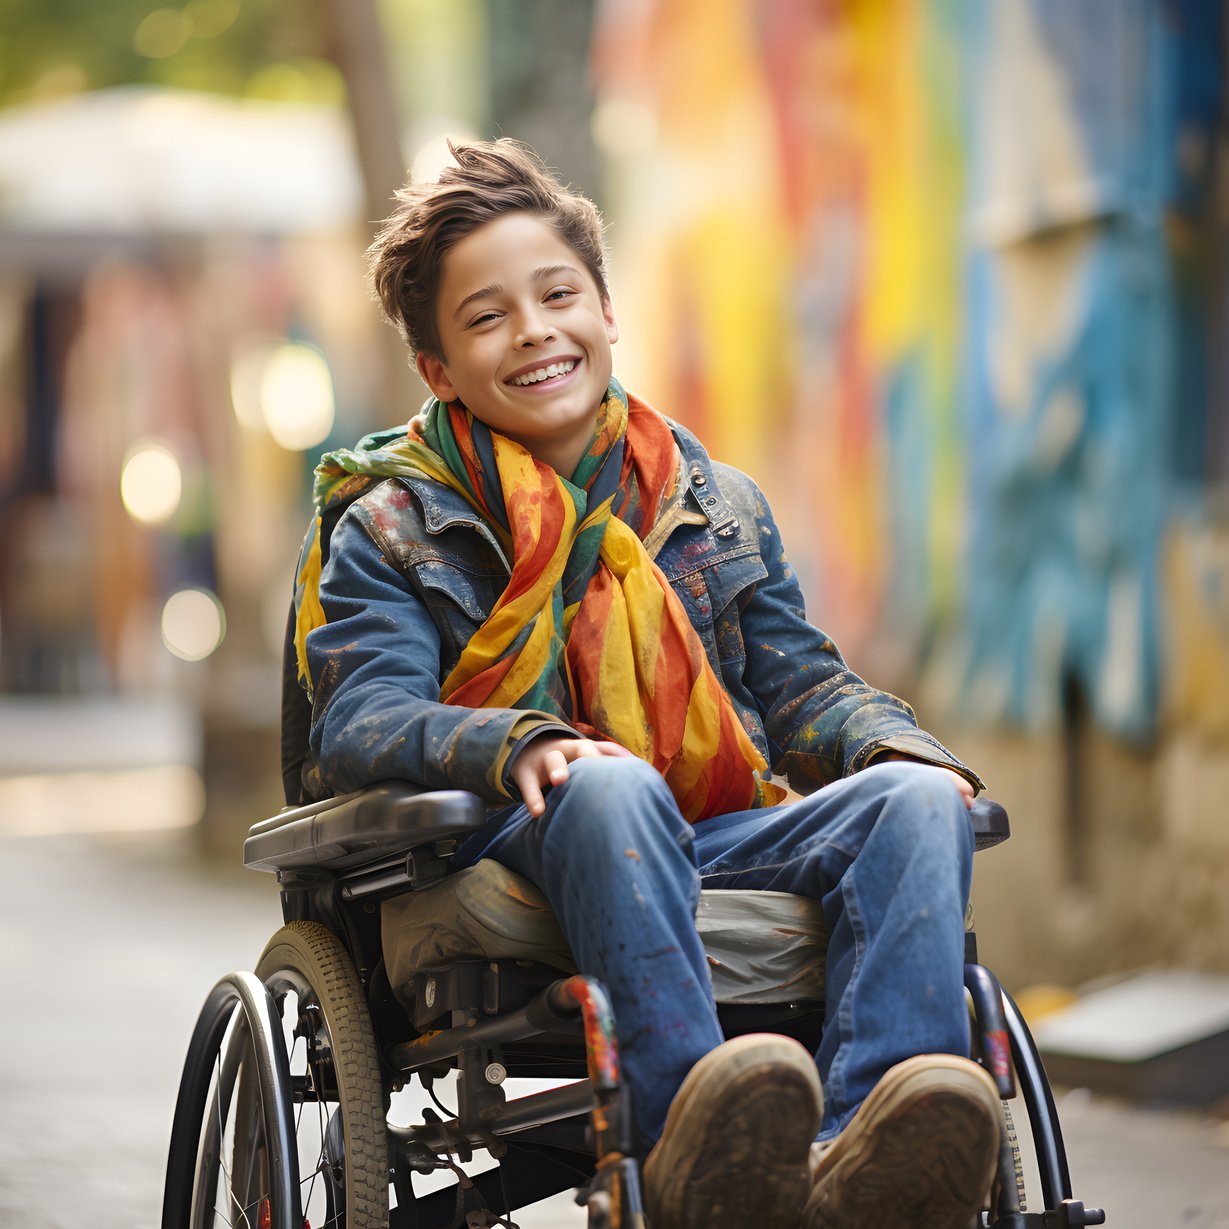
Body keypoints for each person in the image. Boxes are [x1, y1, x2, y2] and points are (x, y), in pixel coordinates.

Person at [295, 138, 1002, 1229]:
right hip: (503, 831)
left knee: (909, 799)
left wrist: (895, 745)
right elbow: (363, 715)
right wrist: (516, 741)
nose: (532, 329)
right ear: (438, 370)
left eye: (556, 294)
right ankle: (689, 1143)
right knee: (608, 783)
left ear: (606, 311)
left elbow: (800, 688)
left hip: (707, 823)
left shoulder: (712, 501)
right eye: (485, 318)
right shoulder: (392, 523)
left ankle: (861, 1153)